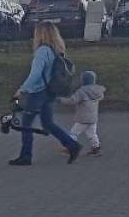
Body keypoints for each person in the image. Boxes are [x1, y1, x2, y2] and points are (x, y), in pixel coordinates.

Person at [10, 22, 80, 166]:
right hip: (49, 91)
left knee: (26, 125)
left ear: (40, 34)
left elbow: (35, 75)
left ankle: (26, 156)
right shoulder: (56, 50)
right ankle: (72, 145)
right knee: (48, 123)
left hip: (37, 93)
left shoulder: (42, 51)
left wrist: (22, 89)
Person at [58, 69, 106, 157]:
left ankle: (70, 148)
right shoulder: (98, 92)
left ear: (83, 80)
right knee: (92, 134)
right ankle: (96, 148)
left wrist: (61, 100)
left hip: (83, 118)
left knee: (73, 133)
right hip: (93, 118)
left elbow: (72, 101)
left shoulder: (82, 91)